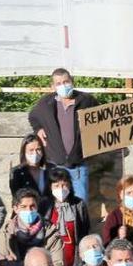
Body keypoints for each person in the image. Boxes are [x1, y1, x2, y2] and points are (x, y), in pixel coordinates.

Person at [29, 68, 98, 202]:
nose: (63, 86)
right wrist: (38, 129)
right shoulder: (45, 103)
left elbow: (102, 120)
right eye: (59, 83)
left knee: (81, 205)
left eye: (66, 82)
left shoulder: (87, 101)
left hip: (78, 164)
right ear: (53, 86)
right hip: (55, 165)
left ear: (72, 82)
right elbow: (32, 116)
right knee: (56, 207)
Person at [0, 188, 65, 266]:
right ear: (16, 209)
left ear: (37, 207)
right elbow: (1, 263)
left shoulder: (50, 232)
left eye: (32, 206)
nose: (28, 210)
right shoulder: (7, 232)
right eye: (23, 207)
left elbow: (57, 264)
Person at [45, 167, 90, 266]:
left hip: (75, 259)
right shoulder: (45, 206)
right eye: (56, 186)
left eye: (64, 185)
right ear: (50, 187)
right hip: (52, 261)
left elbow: (85, 230)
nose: (61, 189)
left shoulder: (78, 204)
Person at [8, 134, 53, 212]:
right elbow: (17, 197)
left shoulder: (50, 170)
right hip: (28, 213)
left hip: (50, 214)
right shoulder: (17, 173)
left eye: (38, 149)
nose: (35, 153)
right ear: (24, 152)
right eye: (31, 150)